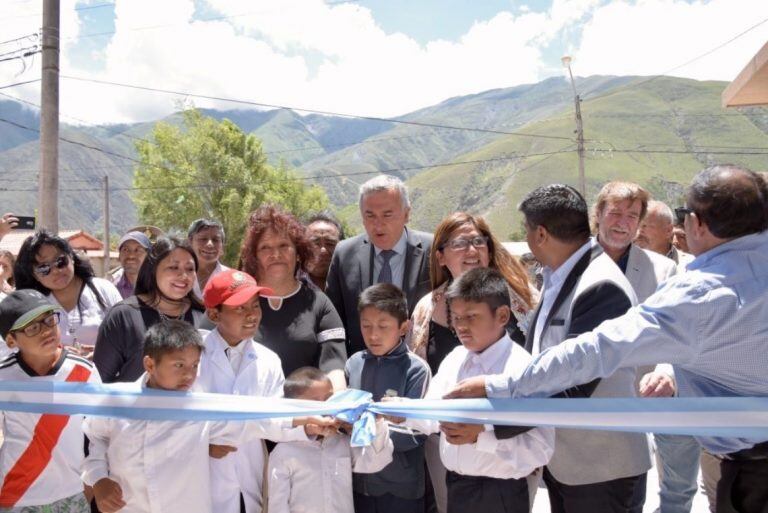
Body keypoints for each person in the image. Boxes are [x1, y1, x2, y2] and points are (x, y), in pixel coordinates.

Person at [446, 165, 768, 513]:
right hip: (581, 463)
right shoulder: (554, 276)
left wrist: (499, 390)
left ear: (697, 223)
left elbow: (594, 353)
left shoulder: (697, 293)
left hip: (616, 468)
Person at [481, 184, 651, 512]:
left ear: (541, 234)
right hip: (567, 464)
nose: (529, 240)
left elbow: (575, 386)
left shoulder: (600, 286)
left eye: (529, 232)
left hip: (601, 469)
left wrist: (493, 421)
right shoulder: (559, 274)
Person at [408, 212, 537, 513]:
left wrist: (489, 432)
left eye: (478, 241)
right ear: (440, 256)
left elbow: (542, 375)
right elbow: (422, 381)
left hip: (510, 449)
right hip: (450, 451)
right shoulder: (426, 309)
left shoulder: (523, 298)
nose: (471, 250)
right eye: (461, 243)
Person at [397, 268, 554, 513]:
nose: (461, 327)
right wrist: (399, 412)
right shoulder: (455, 359)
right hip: (457, 487)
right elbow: (432, 413)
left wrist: (482, 437)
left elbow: (540, 449)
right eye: (456, 318)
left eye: (471, 317)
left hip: (501, 494)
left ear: (502, 315)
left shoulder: (522, 371)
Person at [594, 184, 699, 513]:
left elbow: (678, 330)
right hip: (591, 396)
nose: (622, 223)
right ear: (597, 215)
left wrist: (667, 371)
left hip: (653, 391)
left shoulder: (663, 269)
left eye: (632, 216)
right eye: (615, 213)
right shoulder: (571, 265)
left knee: (672, 489)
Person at [197, 269, 308, 513]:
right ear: (214, 314)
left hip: (248, 485)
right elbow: (170, 419)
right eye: (240, 308)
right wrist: (200, 446)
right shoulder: (191, 355)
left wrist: (310, 424)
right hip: (200, 485)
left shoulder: (268, 360)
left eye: (255, 306)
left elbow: (274, 422)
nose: (251, 315)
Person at [0, 289, 101, 512]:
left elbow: (100, 433)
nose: (46, 331)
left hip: (73, 495)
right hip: (16, 496)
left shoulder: (83, 370)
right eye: (33, 327)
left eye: (48, 320)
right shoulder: (3, 377)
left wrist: (92, 485)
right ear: (10, 340)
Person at [345, 283, 431, 513]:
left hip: (400, 485)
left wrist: (367, 431)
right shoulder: (353, 364)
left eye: (383, 326)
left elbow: (417, 431)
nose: (373, 335)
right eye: (366, 326)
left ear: (404, 327)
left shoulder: (416, 370)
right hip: (359, 483)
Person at [239, 205, 346, 388]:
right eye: (265, 248)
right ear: (254, 256)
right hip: (248, 410)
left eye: (284, 246)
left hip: (305, 411)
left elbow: (334, 366)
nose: (276, 254)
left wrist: (336, 405)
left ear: (298, 253)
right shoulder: (234, 300)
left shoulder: (319, 303)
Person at [326, 175, 433, 355]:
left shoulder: (432, 250)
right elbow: (335, 322)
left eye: (387, 215)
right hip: (361, 367)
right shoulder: (345, 253)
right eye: (370, 216)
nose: (378, 224)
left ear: (406, 214)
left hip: (419, 365)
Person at [267, 367, 394, 513]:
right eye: (315, 403)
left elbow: (374, 464)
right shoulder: (284, 451)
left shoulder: (342, 442)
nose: (325, 407)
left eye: (329, 399)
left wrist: (376, 423)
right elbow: (277, 504)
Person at [94, 236, 207, 383]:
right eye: (173, 267)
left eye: (190, 269)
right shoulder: (123, 316)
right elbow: (100, 381)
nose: (184, 275)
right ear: (153, 270)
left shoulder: (203, 318)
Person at [14, 231, 122, 359]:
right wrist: (56, 354)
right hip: (54, 378)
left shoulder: (103, 289)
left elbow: (127, 336)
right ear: (34, 275)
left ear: (71, 257)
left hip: (103, 375)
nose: (55, 271)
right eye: (44, 268)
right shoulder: (31, 305)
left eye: (60, 261)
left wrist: (103, 352)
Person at [636, 200, 695, 270]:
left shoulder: (689, 265)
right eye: (637, 225)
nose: (639, 231)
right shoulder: (624, 261)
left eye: (645, 226)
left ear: (668, 230)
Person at [188, 219, 230, 301]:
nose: (210, 244)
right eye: (203, 239)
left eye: (216, 240)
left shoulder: (232, 279)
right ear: (190, 242)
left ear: (222, 246)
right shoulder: (176, 275)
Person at [304, 211, 344, 290]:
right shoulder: (286, 287)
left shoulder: (354, 283)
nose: (323, 251)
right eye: (315, 244)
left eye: (330, 244)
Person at [112, 231, 151, 299]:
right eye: (126, 250)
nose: (131, 256)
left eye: (138, 250)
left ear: (149, 256)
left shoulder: (159, 287)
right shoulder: (111, 288)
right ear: (119, 256)